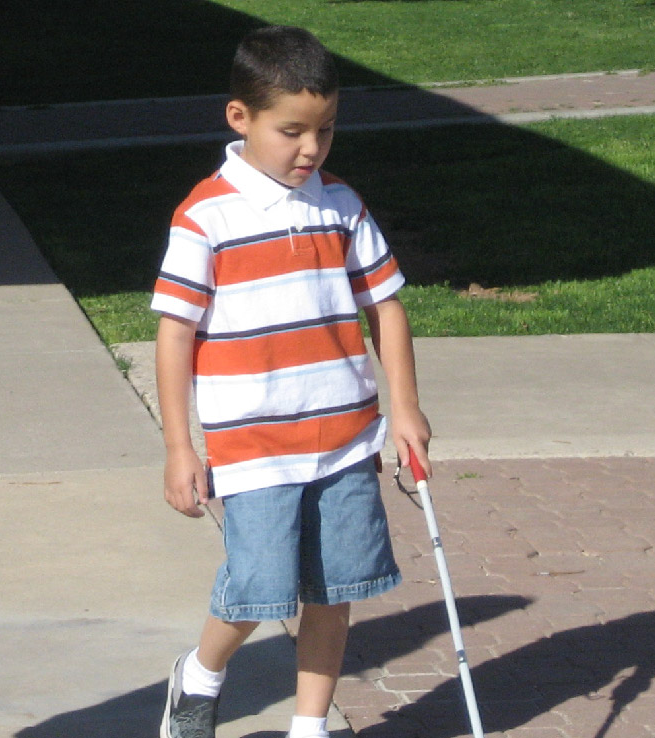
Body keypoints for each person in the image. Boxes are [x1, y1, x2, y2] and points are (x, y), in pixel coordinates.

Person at [151, 27, 431, 738]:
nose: (312, 148)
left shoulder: (341, 207)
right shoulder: (205, 217)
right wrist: (180, 447)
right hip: (254, 445)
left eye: (327, 130)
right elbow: (176, 333)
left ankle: (310, 727)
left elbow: (386, 308)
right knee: (256, 590)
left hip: (344, 438)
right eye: (293, 131)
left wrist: (405, 409)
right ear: (239, 118)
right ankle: (202, 674)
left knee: (334, 592)